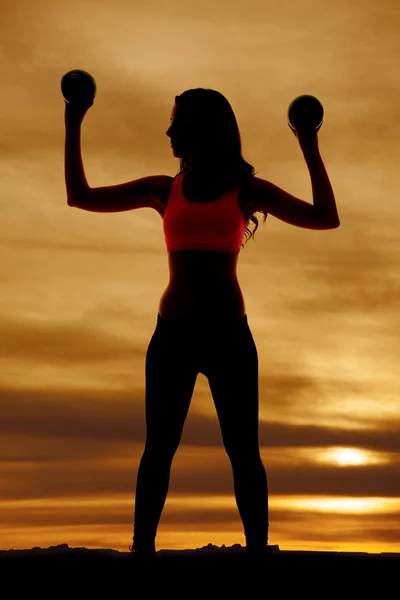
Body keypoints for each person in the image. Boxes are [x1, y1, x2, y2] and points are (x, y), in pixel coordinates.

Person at [64, 87, 340, 558]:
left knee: (243, 454)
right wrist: (74, 124)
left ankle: (258, 552)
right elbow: (80, 197)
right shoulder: (162, 189)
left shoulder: (247, 190)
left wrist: (309, 147)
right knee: (158, 452)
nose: (169, 131)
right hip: (171, 336)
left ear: (204, 129)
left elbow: (325, 218)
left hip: (229, 338)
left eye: (179, 123)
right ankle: (141, 552)